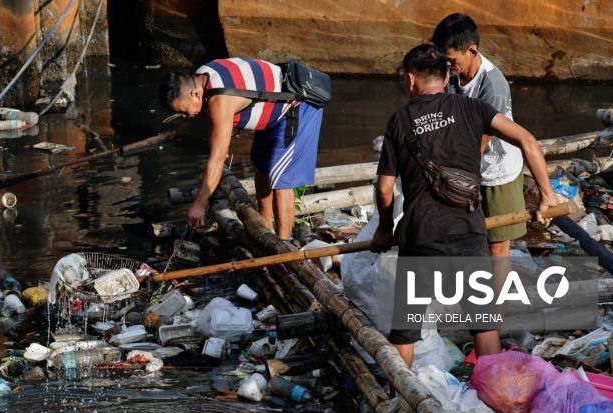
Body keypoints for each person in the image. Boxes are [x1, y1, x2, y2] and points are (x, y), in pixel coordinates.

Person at [370, 44, 557, 367]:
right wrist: (546, 195)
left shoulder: (400, 121)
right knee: (483, 326)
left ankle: (398, 398)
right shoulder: (473, 108)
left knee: (405, 330)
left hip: (420, 239)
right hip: (468, 234)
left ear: (411, 80)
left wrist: (385, 229)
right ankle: (495, 399)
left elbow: (385, 190)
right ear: (445, 78)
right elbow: (527, 140)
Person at [158, 58, 325, 240]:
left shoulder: (219, 99)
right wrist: (218, 144)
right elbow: (217, 128)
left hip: (297, 104)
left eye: (183, 110)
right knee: (261, 166)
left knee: (280, 179)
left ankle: (284, 248)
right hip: (272, 105)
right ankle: (265, 228)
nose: (185, 117)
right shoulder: (202, 74)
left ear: (195, 94)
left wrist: (199, 204)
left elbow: (217, 158)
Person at [432, 13, 526, 259]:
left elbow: (479, 145)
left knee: (497, 247)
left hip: (496, 172)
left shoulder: (492, 86)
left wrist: (448, 179)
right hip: (466, 164)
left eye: (452, 60)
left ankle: (498, 299)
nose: (448, 65)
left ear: (471, 51)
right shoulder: (451, 72)